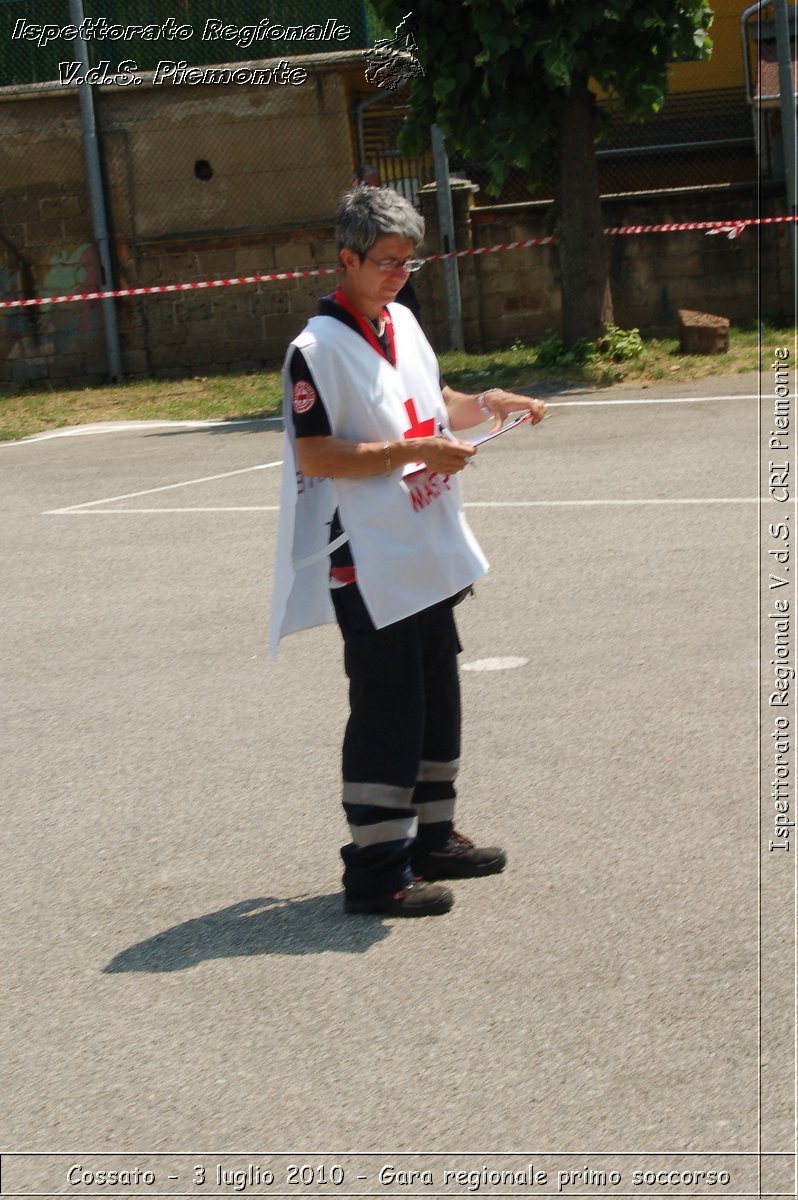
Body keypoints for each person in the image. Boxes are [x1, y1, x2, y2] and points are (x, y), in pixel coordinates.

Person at [270, 185, 546, 917]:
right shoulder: (315, 350)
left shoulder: (401, 322)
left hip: (423, 546)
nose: (400, 274)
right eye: (387, 262)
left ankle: (431, 837)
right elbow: (319, 455)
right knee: (388, 709)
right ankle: (375, 870)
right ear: (347, 258)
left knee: (436, 697)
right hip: (367, 558)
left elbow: (434, 395)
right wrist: (412, 451)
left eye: (409, 261)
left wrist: (490, 402)